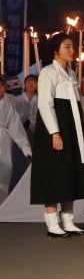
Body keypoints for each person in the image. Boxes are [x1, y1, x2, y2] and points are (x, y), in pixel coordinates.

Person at [31, 33, 84, 238]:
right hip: (55, 128)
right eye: (67, 47)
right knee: (54, 172)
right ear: (56, 50)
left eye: (72, 47)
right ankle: (52, 222)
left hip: (72, 128)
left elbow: (76, 106)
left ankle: (68, 221)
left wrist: (82, 129)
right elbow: (45, 104)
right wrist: (55, 133)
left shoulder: (71, 73)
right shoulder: (49, 72)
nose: (72, 50)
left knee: (71, 171)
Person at [0, 74, 32, 203]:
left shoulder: (7, 107)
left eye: (1, 86)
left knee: (4, 173)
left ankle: (1, 207)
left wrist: (25, 147)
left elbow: (16, 127)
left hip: (3, 141)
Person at [14, 74, 38, 140]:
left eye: (34, 82)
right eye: (29, 81)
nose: (31, 84)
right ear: (24, 84)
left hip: (36, 133)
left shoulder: (41, 100)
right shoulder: (17, 100)